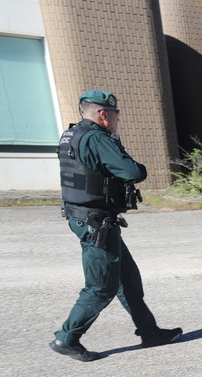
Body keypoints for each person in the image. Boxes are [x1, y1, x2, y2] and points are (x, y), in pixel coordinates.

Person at [50, 90, 180, 362]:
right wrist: (138, 167)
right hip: (95, 223)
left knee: (127, 279)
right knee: (100, 287)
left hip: (90, 218)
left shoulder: (71, 135)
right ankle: (67, 338)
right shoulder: (96, 138)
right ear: (103, 114)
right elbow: (132, 172)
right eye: (116, 114)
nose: (118, 118)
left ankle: (150, 332)